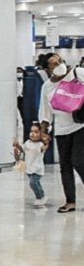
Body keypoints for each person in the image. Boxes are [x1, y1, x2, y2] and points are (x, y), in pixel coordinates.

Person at [39, 53, 84, 213]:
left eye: (60, 61)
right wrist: (44, 133)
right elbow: (45, 113)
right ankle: (70, 201)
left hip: (80, 125)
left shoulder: (77, 74)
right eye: (53, 64)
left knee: (79, 161)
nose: (59, 64)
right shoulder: (47, 87)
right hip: (62, 129)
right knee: (65, 166)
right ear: (46, 69)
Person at [14, 122, 49, 208]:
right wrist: (17, 146)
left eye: (36, 132)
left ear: (41, 134)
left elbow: (44, 148)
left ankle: (39, 197)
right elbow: (22, 150)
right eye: (31, 131)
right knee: (36, 183)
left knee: (33, 183)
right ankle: (43, 195)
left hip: (37, 169)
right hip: (29, 168)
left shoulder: (40, 145)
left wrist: (46, 141)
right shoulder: (27, 143)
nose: (32, 134)